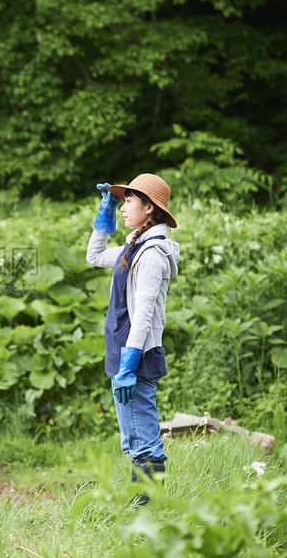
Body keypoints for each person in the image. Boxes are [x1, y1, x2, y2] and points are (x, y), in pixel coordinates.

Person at [85, 172, 180, 506]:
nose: (124, 207)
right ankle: (142, 508)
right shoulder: (133, 245)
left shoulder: (153, 254)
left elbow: (144, 314)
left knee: (143, 435)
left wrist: (129, 364)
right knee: (134, 435)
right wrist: (104, 215)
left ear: (149, 208)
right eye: (122, 202)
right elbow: (94, 256)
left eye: (128, 201)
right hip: (123, 351)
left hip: (136, 354)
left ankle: (146, 511)